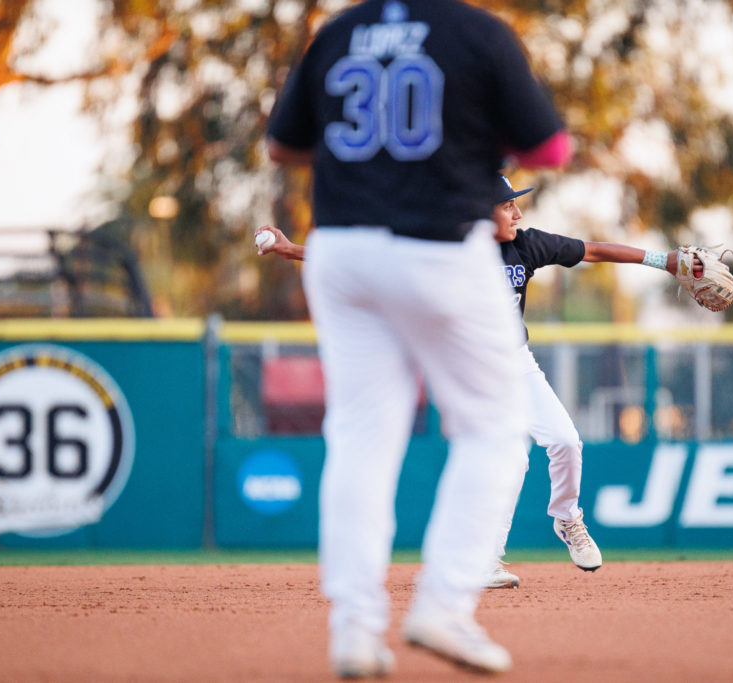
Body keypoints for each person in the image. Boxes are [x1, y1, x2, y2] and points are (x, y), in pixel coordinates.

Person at [264, 0, 571, 677]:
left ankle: (353, 628)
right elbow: (548, 147)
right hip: (436, 243)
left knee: (361, 434)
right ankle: (443, 603)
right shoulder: (476, 32)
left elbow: (282, 145)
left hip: (342, 247)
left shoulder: (339, 31)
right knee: (494, 425)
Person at [255, 175, 703, 591]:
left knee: (567, 441)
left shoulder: (526, 247)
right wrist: (292, 249)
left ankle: (567, 518)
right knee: (511, 458)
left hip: (515, 362)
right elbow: (369, 260)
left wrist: (664, 261)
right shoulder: (447, 248)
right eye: (509, 205)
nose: (518, 214)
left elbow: (595, 250)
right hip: (469, 370)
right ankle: (486, 560)